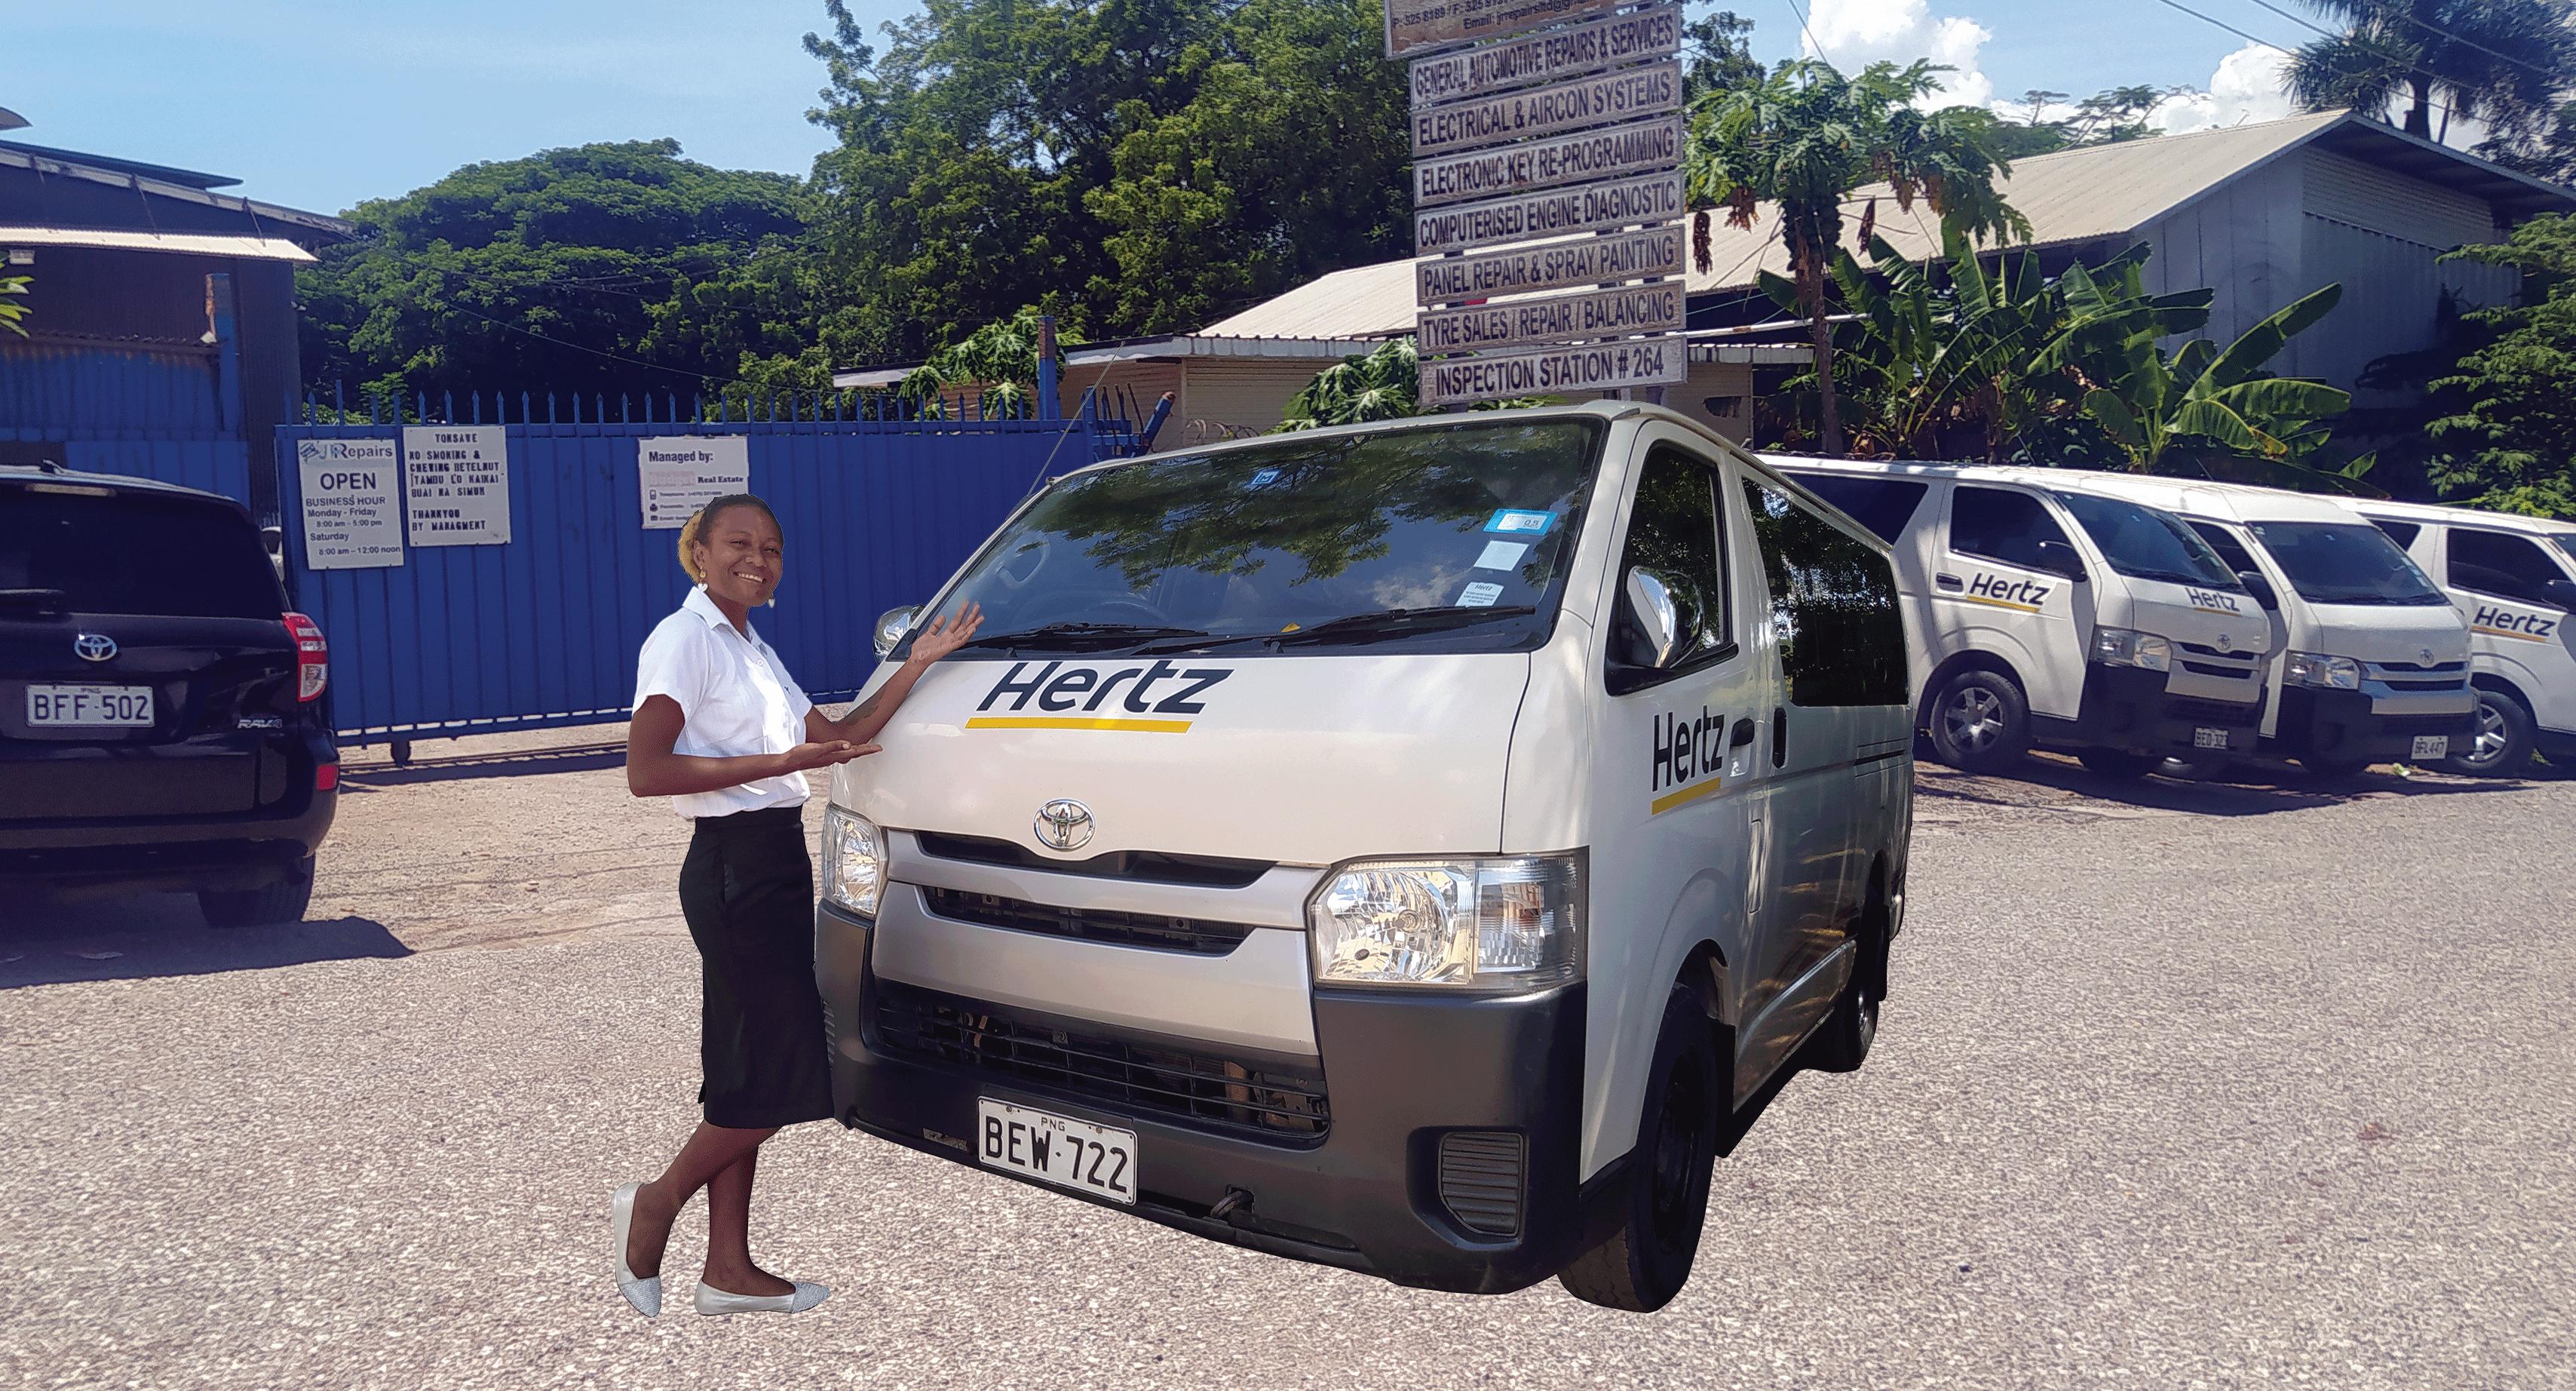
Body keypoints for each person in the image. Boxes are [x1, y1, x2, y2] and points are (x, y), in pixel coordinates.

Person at [610, 493, 980, 1319]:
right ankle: (654, 1203)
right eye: (738, 543)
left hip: (772, 861)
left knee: (743, 1072)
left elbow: (837, 736)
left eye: (772, 548)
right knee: (784, 1071)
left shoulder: (751, 646)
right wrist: (778, 762)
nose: (758, 559)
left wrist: (919, 662)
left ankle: (727, 1269)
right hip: (732, 869)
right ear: (698, 553)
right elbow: (646, 770)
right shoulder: (684, 641)